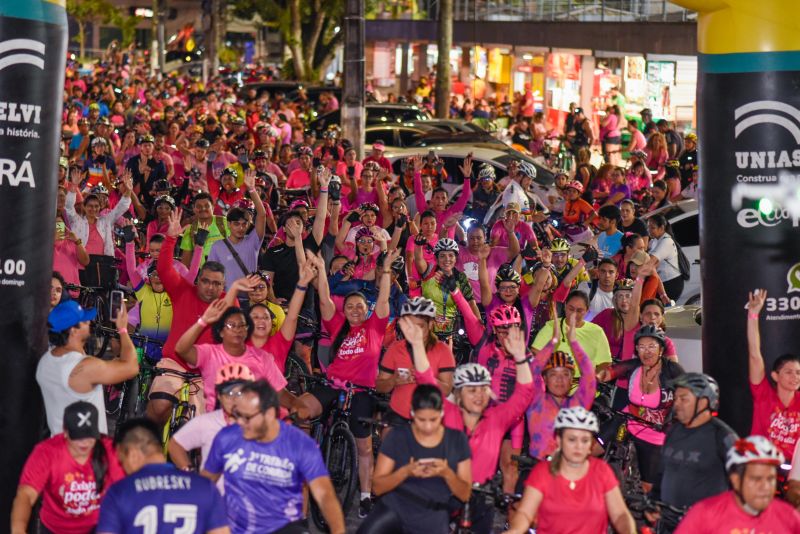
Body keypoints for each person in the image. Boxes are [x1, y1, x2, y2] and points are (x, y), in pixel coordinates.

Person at [403, 315, 534, 534]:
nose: (478, 396)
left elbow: (523, 394)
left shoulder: (496, 419)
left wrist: (520, 358)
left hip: (481, 498)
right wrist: (417, 345)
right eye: (471, 390)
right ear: (459, 394)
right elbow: (427, 380)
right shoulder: (448, 413)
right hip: (444, 490)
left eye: (482, 389)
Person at [293, 250, 398, 517]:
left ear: (366, 310)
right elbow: (325, 298)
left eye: (359, 307)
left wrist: (385, 270)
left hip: (362, 390)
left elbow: (384, 297)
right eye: (349, 306)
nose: (353, 310)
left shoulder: (375, 326)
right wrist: (319, 268)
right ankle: (301, 465)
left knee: (364, 446)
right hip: (332, 384)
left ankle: (364, 495)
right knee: (299, 411)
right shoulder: (338, 324)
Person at [202, 380, 346, 534]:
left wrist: (338, 530)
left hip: (282, 526)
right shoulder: (227, 438)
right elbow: (206, 482)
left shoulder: (301, 445)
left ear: (269, 413)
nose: (240, 422)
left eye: (247, 417)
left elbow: (325, 495)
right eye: (237, 415)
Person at [357, 384, 472, 534]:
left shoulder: (456, 440)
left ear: (442, 413)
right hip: (396, 507)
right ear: (412, 414)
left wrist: (447, 473)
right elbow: (378, 487)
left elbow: (465, 494)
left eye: (433, 420)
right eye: (421, 420)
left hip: (432, 513)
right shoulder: (398, 436)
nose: (428, 427)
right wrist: (405, 472)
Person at [505, 407, 636, 534]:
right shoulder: (543, 472)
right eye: (572, 439)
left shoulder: (602, 472)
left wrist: (629, 530)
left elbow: (620, 514)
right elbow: (525, 513)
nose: (578, 446)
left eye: (585, 440)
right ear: (559, 440)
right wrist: (515, 530)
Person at [96, 418, 229, 534]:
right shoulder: (205, 488)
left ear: (132, 454)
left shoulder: (119, 492)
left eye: (121, 461)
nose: (122, 467)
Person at [11, 402, 125, 534]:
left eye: (90, 436)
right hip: (55, 528)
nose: (85, 443)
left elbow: (124, 492)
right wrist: (18, 529)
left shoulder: (110, 450)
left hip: (97, 526)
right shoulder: (47, 452)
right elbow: (26, 494)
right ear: (65, 432)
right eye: (78, 436)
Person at [647, 373, 738, 534]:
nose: (677, 404)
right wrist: (653, 501)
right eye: (675, 399)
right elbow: (663, 472)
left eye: (684, 399)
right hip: (668, 525)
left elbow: (743, 482)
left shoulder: (723, 436)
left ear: (703, 402)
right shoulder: (673, 431)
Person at [598, 326, 685, 489]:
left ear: (661, 349)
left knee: (647, 486)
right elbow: (610, 372)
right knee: (593, 446)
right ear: (637, 349)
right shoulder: (634, 366)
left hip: (655, 432)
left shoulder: (672, 370)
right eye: (642, 347)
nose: (647, 351)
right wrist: (595, 377)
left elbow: (689, 392)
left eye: (652, 346)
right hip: (627, 420)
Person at [37, 301, 138, 435]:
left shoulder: (46, 361)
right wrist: (123, 330)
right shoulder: (85, 367)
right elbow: (132, 367)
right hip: (85, 450)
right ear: (73, 331)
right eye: (84, 321)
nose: (89, 322)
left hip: (58, 444)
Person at [674, 435, 800, 533]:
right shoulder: (704, 515)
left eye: (771, 479)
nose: (765, 487)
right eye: (756, 479)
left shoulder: (789, 518)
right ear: (736, 480)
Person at [376, 297, 456, 427]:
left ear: (430, 324)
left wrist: (425, 377)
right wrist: (393, 381)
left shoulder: (443, 351)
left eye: (419, 327)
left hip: (429, 419)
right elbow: (379, 386)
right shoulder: (396, 348)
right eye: (410, 326)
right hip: (398, 414)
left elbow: (446, 390)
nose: (414, 332)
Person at [169, 363, 255, 474]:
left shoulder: (262, 424)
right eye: (228, 393)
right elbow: (175, 445)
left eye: (239, 393)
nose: (234, 398)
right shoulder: (207, 422)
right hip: (213, 489)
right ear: (219, 396)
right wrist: (190, 473)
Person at [746, 288, 800, 462]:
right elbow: (755, 354)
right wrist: (753, 315)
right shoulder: (763, 395)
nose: (795, 377)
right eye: (789, 372)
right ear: (775, 376)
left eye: (798, 372)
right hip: (763, 467)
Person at [208, 170, 267, 290]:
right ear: (229, 224)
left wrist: (252, 190)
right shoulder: (217, 246)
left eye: (244, 224)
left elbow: (262, 215)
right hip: (228, 300)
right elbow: (211, 275)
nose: (241, 228)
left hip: (251, 299)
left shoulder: (253, 241)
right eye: (236, 224)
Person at [647, 214, 684, 301]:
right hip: (662, 282)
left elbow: (650, 260)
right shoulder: (655, 240)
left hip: (671, 283)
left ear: (661, 228)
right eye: (648, 227)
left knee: (661, 310)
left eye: (652, 228)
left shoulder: (666, 241)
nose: (649, 230)